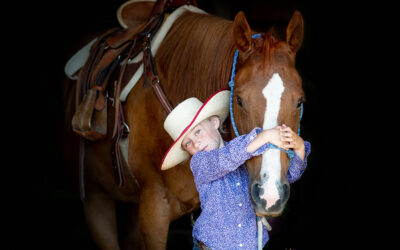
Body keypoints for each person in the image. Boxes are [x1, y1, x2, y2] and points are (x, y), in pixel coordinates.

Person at [160, 89, 311, 250]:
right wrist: (265, 137)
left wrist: (300, 149)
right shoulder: (200, 163)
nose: (195, 143)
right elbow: (226, 158)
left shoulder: (250, 154)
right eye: (187, 143)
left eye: (197, 131)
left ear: (214, 122)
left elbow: (285, 177)